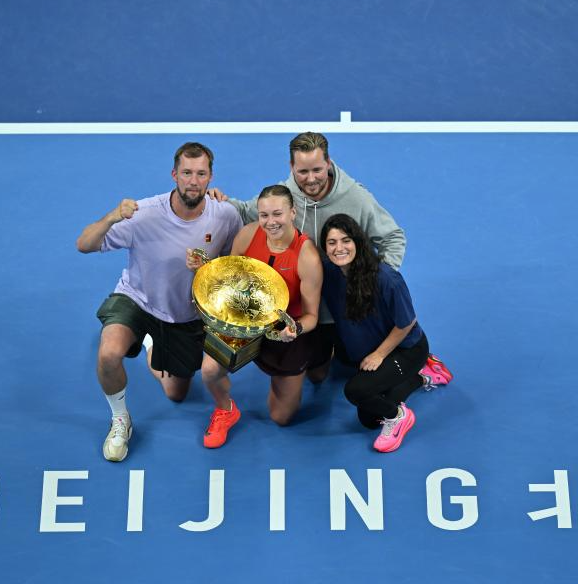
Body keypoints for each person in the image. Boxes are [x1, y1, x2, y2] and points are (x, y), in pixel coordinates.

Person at [210, 131, 452, 387]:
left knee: (361, 362)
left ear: (328, 162)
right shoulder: (286, 196)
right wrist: (218, 201)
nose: (311, 179)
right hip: (310, 303)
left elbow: (393, 237)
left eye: (317, 169)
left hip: (345, 302)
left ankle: (416, 359)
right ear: (291, 167)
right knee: (319, 375)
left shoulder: (356, 198)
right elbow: (248, 211)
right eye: (302, 171)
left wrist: (369, 283)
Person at [76, 142, 242, 462]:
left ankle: (151, 344)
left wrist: (207, 268)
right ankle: (120, 420)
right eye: (186, 173)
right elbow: (84, 244)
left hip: (185, 314)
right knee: (109, 353)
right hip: (138, 300)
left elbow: (231, 266)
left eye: (201, 174)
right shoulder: (143, 214)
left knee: (176, 393)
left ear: (211, 177)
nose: (193, 181)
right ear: (174, 175)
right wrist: (112, 216)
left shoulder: (225, 215)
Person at [191, 185, 322, 448]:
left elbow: (311, 316)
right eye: (264, 215)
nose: (270, 222)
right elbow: (229, 280)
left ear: (293, 213)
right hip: (243, 322)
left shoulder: (307, 256)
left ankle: (322, 357)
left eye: (277, 214)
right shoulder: (248, 234)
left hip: (283, 332)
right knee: (209, 371)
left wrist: (294, 329)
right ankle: (226, 409)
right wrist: (204, 269)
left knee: (281, 417)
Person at [319, 213, 429, 452]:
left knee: (356, 391)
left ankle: (399, 417)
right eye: (332, 242)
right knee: (369, 420)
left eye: (346, 240)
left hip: (405, 349)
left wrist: (379, 355)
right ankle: (422, 376)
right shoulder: (329, 273)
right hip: (368, 347)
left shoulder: (387, 278)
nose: (339, 248)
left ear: (358, 242)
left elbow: (407, 323)